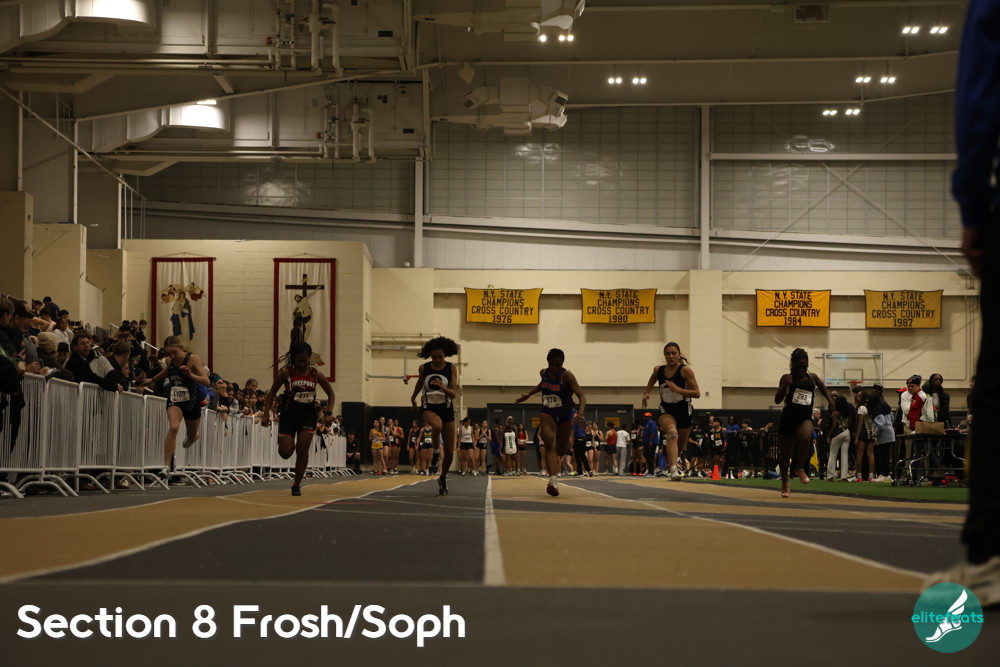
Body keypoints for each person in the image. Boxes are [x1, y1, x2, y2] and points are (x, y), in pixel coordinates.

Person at [261, 341, 335, 496]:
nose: (302, 364)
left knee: (302, 448)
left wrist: (328, 413)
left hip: (307, 416)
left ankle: (296, 484)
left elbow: (331, 394)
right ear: (293, 359)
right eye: (298, 361)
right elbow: (272, 393)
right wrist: (266, 414)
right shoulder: (286, 373)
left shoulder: (315, 374)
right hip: (289, 415)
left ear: (309, 358)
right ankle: (286, 441)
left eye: (305, 361)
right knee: (286, 452)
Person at [515, 348, 586, 496]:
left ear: (562, 363)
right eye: (552, 364)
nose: (554, 368)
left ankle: (554, 474)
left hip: (565, 414)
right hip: (548, 411)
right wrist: (529, 394)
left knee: (560, 450)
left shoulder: (567, 376)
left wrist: (580, 414)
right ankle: (553, 481)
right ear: (547, 362)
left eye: (558, 365)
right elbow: (542, 384)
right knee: (548, 443)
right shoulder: (544, 373)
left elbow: (582, 396)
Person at [143, 335, 210, 480]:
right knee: (174, 427)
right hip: (175, 399)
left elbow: (206, 381)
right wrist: (152, 379)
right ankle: (166, 466)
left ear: (180, 348)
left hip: (191, 401)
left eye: (174, 352)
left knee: (192, 436)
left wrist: (190, 374)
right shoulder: (170, 360)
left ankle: (193, 437)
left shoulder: (193, 359)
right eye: (169, 353)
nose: (172, 356)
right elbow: (168, 370)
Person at [774, 348, 834, 498]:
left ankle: (799, 467)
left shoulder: (812, 378)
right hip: (788, 418)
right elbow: (777, 400)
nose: (802, 369)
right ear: (792, 364)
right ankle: (785, 482)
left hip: (804, 417)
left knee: (806, 436)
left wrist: (830, 401)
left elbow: (822, 387)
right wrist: (785, 386)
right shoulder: (786, 378)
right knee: (784, 454)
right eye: (799, 366)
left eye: (805, 366)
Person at [641, 342, 702, 481]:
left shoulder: (685, 370)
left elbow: (697, 393)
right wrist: (646, 392)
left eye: (674, 353)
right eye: (668, 354)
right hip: (666, 409)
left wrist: (677, 389)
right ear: (664, 355)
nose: (671, 356)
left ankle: (673, 463)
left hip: (684, 410)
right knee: (672, 433)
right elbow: (653, 377)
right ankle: (674, 471)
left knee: (679, 447)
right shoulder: (658, 370)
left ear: (679, 355)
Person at [409, 336, 460, 495]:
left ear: (445, 355)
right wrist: (413, 396)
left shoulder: (451, 368)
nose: (437, 360)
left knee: (450, 451)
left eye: (440, 357)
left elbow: (453, 394)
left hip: (446, 409)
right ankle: (436, 453)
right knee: (436, 426)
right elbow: (420, 383)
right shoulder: (423, 368)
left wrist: (442, 386)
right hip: (429, 407)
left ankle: (443, 477)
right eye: (434, 357)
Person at [826, 394, 855, 481]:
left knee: (833, 454)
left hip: (838, 432)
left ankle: (830, 476)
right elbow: (850, 424)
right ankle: (844, 476)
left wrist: (829, 436)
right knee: (844, 455)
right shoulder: (848, 413)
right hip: (847, 432)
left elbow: (834, 426)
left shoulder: (835, 413)